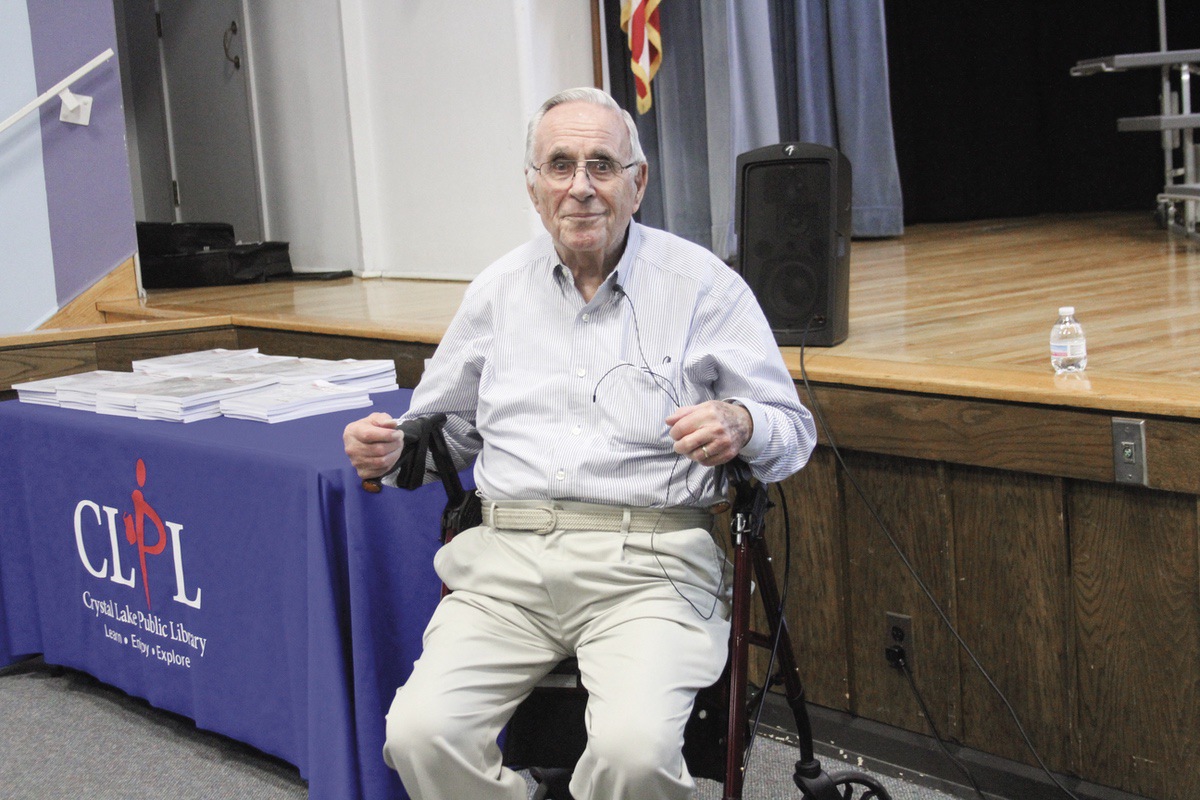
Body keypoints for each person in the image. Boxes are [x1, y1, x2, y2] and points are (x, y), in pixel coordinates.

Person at [343, 87, 817, 800]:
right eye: (560, 166)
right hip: (505, 564)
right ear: (533, 188)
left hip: (650, 566)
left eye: (602, 165)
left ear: (638, 181)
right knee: (418, 736)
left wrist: (742, 422)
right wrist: (391, 449)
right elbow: (441, 436)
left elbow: (793, 428)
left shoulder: (702, 289)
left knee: (632, 756)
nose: (581, 187)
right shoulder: (498, 291)